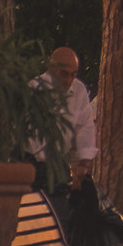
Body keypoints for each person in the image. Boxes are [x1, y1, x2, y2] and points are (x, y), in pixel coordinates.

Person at [32, 47, 99, 197]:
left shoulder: (79, 90)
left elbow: (85, 127)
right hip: (33, 166)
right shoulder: (34, 90)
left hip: (59, 167)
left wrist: (82, 165)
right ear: (51, 69)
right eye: (64, 74)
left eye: (73, 75)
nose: (68, 80)